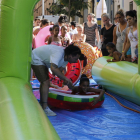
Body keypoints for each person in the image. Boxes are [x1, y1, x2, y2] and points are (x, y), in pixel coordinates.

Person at [31, 44, 81, 116]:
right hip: (36, 57)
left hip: (42, 61)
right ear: (70, 55)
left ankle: (42, 104)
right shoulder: (59, 53)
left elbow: (58, 73)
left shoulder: (66, 60)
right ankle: (45, 107)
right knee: (45, 82)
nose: (76, 61)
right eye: (76, 58)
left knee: (45, 82)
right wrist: (66, 79)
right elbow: (53, 68)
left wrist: (67, 83)